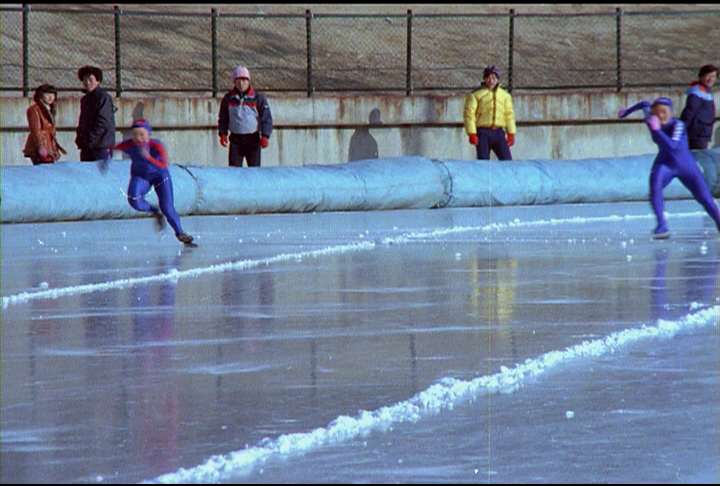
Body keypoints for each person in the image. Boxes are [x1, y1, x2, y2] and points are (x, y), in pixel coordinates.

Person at [618, 97, 720, 239]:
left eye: (664, 112)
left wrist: (657, 130)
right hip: (665, 163)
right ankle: (661, 225)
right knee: (655, 186)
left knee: (704, 198)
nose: (660, 116)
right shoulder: (651, 117)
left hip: (686, 166)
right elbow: (644, 104)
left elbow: (673, 146)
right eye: (657, 112)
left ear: (670, 112)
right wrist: (626, 112)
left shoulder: (677, 125)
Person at [104, 119, 195, 246]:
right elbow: (112, 148)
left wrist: (149, 158)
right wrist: (105, 162)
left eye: (142, 135)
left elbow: (164, 164)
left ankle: (180, 232)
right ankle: (154, 211)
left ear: (148, 134)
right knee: (134, 199)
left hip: (160, 176)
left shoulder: (157, 146)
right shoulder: (129, 145)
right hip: (141, 176)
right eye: (134, 135)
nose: (138, 139)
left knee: (167, 208)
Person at [217, 65, 273, 167]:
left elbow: (266, 117)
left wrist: (265, 135)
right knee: (234, 169)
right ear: (234, 82)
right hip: (236, 139)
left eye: (244, 80)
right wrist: (223, 133)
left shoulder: (257, 98)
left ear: (248, 81)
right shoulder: (228, 99)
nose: (241, 83)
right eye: (238, 80)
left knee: (254, 170)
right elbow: (223, 117)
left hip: (252, 139)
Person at [463, 65, 517, 161]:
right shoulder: (475, 95)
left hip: (498, 133)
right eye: (488, 78)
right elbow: (469, 115)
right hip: (483, 133)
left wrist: (511, 133)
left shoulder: (504, 96)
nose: (491, 81)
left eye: (494, 78)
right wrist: (472, 133)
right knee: (483, 162)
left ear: (497, 79)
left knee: (507, 161)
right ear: (484, 79)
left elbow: (509, 115)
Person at [75, 65, 116, 162]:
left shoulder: (103, 98)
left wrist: (90, 140)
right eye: (84, 80)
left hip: (101, 146)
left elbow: (102, 122)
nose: (87, 83)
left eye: (90, 79)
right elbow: (82, 121)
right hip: (88, 146)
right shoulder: (85, 99)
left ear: (98, 81)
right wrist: (80, 137)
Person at [23, 83, 67, 165]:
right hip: (38, 148)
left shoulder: (50, 109)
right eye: (47, 94)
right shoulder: (34, 110)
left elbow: (51, 133)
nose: (50, 97)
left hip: (48, 147)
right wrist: (41, 147)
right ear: (40, 95)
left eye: (52, 94)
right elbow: (36, 130)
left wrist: (54, 149)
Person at [680, 63, 717, 150]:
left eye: (713, 76)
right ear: (701, 76)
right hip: (697, 134)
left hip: (703, 133)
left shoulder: (706, 91)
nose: (711, 79)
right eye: (708, 76)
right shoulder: (697, 92)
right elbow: (689, 111)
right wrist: (680, 128)